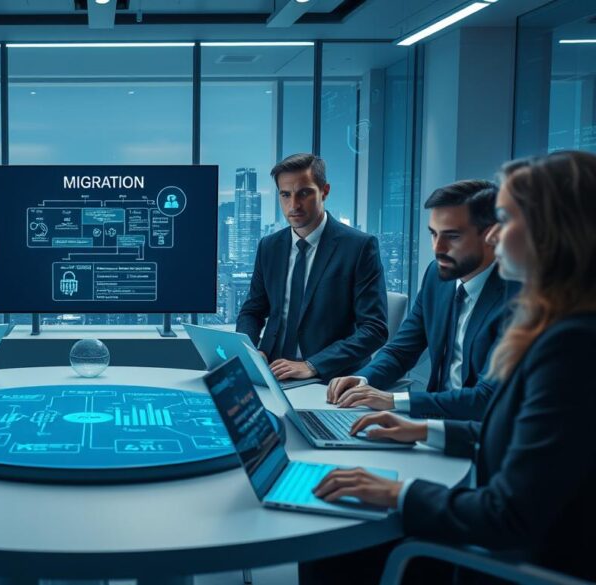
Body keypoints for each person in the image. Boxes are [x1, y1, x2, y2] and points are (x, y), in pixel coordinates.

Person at [304, 151, 596, 583]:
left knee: (336, 540)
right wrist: (421, 429)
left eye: (505, 219)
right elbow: (518, 436)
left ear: (555, 232)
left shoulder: (571, 345)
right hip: (497, 508)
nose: (494, 235)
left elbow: (507, 514)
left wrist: (399, 493)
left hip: (516, 561)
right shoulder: (559, 326)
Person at [325, 180, 519, 421]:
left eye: (453, 236)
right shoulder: (437, 277)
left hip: (483, 432)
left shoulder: (520, 298)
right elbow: (401, 351)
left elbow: (487, 398)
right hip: (432, 420)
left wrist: (393, 401)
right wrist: (364, 379)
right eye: (434, 234)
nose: (438, 248)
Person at [236, 153, 388, 382]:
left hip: (330, 379)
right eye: (285, 195)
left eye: (304, 193)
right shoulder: (269, 247)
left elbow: (374, 329)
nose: (293, 205)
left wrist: (312, 365)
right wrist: (250, 352)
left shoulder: (358, 247)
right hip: (272, 372)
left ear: (324, 191)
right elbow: (252, 311)